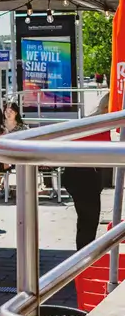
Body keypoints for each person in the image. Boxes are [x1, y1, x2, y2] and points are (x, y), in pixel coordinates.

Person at [62, 92, 111, 250]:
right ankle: (83, 258)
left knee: (87, 220)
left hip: (81, 174)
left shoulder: (93, 123)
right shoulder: (98, 125)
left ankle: (83, 256)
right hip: (83, 175)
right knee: (88, 220)